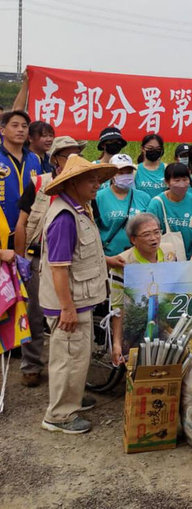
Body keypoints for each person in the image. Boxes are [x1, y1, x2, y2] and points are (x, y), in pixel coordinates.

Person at [38, 155, 118, 434]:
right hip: (69, 302)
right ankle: (59, 414)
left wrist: (110, 261)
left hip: (79, 298)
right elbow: (59, 268)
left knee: (77, 355)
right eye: (91, 179)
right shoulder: (64, 217)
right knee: (68, 357)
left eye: (98, 179)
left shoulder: (79, 210)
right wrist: (67, 308)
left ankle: (71, 399)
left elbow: (82, 255)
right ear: (73, 183)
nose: (97, 184)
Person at [15, 136, 85, 388]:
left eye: (78, 155)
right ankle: (31, 364)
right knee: (34, 314)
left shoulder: (83, 186)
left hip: (68, 262)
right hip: (37, 259)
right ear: (55, 159)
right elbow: (22, 223)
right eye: (68, 155)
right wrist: (20, 259)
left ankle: (65, 375)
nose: (74, 160)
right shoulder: (39, 183)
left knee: (66, 315)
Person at [109, 213, 180, 366]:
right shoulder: (122, 263)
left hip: (164, 321)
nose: (154, 238)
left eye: (156, 232)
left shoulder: (169, 253)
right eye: (146, 234)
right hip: (137, 327)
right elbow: (118, 306)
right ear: (133, 239)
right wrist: (117, 343)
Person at [146, 162, 192, 263]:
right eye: (177, 180)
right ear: (167, 182)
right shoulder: (157, 204)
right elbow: (149, 232)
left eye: (185, 179)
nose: (182, 184)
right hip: (163, 259)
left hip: (189, 259)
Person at [1, 110, 43, 248]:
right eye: (15, 125)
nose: (20, 130)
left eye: (24, 126)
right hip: (3, 231)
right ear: (2, 130)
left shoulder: (35, 159)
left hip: (29, 230)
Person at [95, 154, 151, 257]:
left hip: (138, 258)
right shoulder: (98, 198)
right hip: (108, 258)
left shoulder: (144, 198)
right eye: (120, 173)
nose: (125, 176)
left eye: (129, 172)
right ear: (111, 175)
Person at [133, 134, 168, 199]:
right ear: (142, 148)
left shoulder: (167, 169)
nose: (154, 151)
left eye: (158, 149)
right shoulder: (134, 170)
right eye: (150, 148)